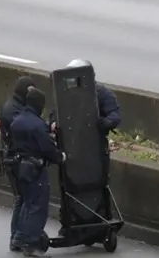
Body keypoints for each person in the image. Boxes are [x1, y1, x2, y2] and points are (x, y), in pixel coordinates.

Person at [50, 59, 121, 234]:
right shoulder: (64, 95)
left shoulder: (101, 94)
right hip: (71, 147)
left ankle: (102, 217)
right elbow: (53, 115)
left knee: (99, 183)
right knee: (69, 184)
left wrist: (107, 122)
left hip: (93, 148)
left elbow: (115, 114)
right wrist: (52, 124)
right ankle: (70, 219)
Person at [10, 87, 66, 258]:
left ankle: (19, 237)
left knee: (26, 203)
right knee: (37, 207)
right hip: (34, 169)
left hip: (19, 167)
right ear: (39, 105)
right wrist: (60, 157)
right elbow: (47, 147)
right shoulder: (37, 125)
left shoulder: (17, 121)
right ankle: (32, 246)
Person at [0, 75, 36, 252]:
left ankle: (17, 235)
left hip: (12, 158)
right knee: (23, 198)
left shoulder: (14, 106)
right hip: (16, 160)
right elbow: (25, 133)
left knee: (21, 198)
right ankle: (18, 236)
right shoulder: (15, 111)